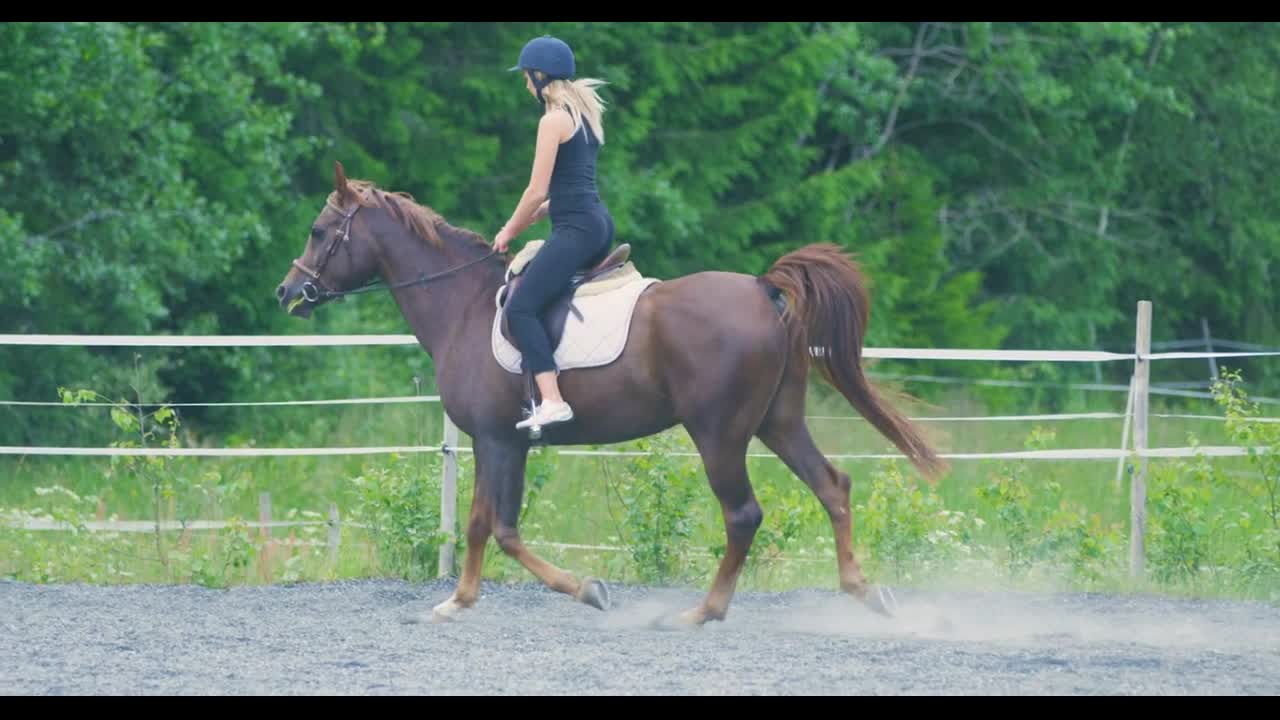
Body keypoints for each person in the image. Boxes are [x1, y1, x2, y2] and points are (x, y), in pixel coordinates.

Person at [494, 35, 615, 431]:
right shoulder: (584, 117)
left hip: (576, 229)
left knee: (521, 307)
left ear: (541, 76)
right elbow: (571, 184)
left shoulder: (553, 120)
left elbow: (536, 189)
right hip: (597, 223)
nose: (526, 85)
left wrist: (509, 229)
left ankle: (552, 399)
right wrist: (542, 212)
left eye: (528, 77)